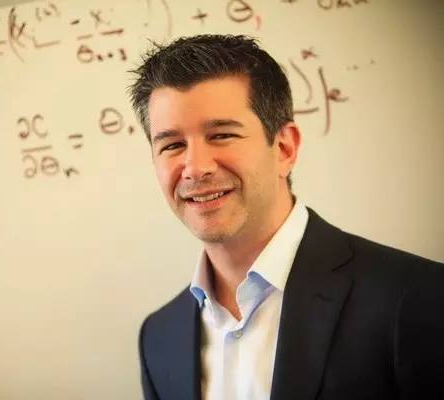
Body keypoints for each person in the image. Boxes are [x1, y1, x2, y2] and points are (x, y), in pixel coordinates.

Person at [128, 34, 444, 400]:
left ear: (284, 148)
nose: (195, 168)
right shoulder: (158, 338)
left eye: (221, 135)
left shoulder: (418, 296)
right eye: (172, 145)